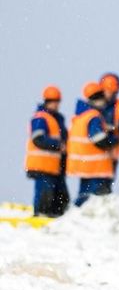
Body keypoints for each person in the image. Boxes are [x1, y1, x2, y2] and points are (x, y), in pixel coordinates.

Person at [66, 82, 119, 206]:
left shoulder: (80, 116)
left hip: (84, 165)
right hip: (97, 166)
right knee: (99, 200)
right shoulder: (94, 117)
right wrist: (115, 139)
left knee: (84, 196)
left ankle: (77, 215)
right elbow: (99, 139)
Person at [25, 85, 70, 216]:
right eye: (52, 102)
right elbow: (38, 138)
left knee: (61, 197)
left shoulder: (57, 119)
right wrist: (58, 145)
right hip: (42, 166)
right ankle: (40, 217)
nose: (55, 105)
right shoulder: (41, 118)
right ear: (46, 101)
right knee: (45, 195)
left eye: (57, 101)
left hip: (55, 167)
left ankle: (56, 217)